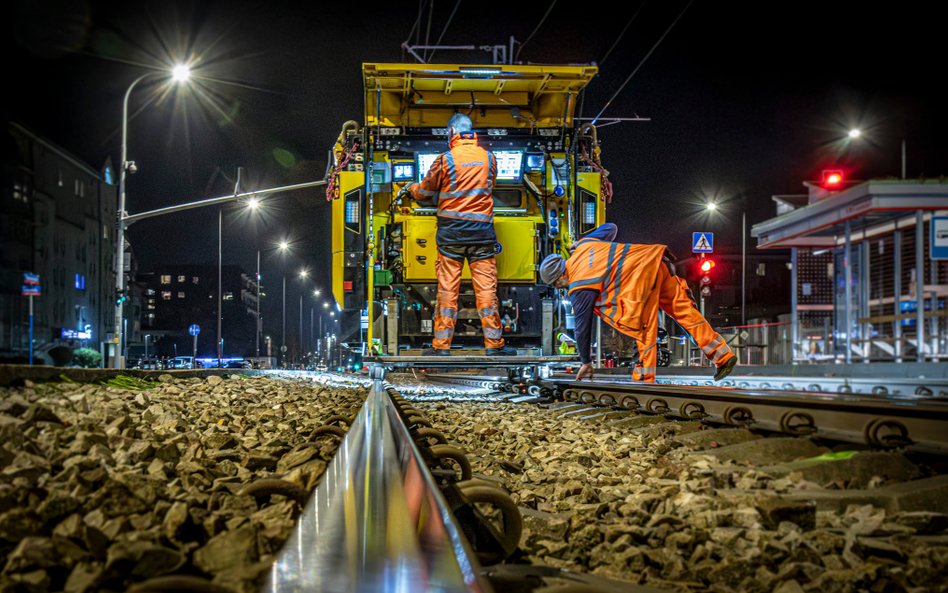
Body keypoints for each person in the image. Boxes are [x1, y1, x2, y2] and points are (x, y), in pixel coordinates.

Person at [539, 223, 737, 382]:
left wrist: (585, 362)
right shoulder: (584, 247)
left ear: (559, 277)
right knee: (685, 312)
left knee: (642, 327)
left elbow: (583, 327)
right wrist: (580, 242)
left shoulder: (579, 285)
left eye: (558, 285)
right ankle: (723, 356)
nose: (561, 288)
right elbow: (611, 228)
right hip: (658, 262)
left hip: (641, 281)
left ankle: (644, 379)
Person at [400, 113, 517, 356]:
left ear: (452, 132)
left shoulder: (445, 160)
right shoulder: (489, 158)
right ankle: (494, 346)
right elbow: (489, 186)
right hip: (483, 237)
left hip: (451, 238)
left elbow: (423, 192)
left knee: (447, 293)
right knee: (486, 293)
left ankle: (442, 347)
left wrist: (410, 187)